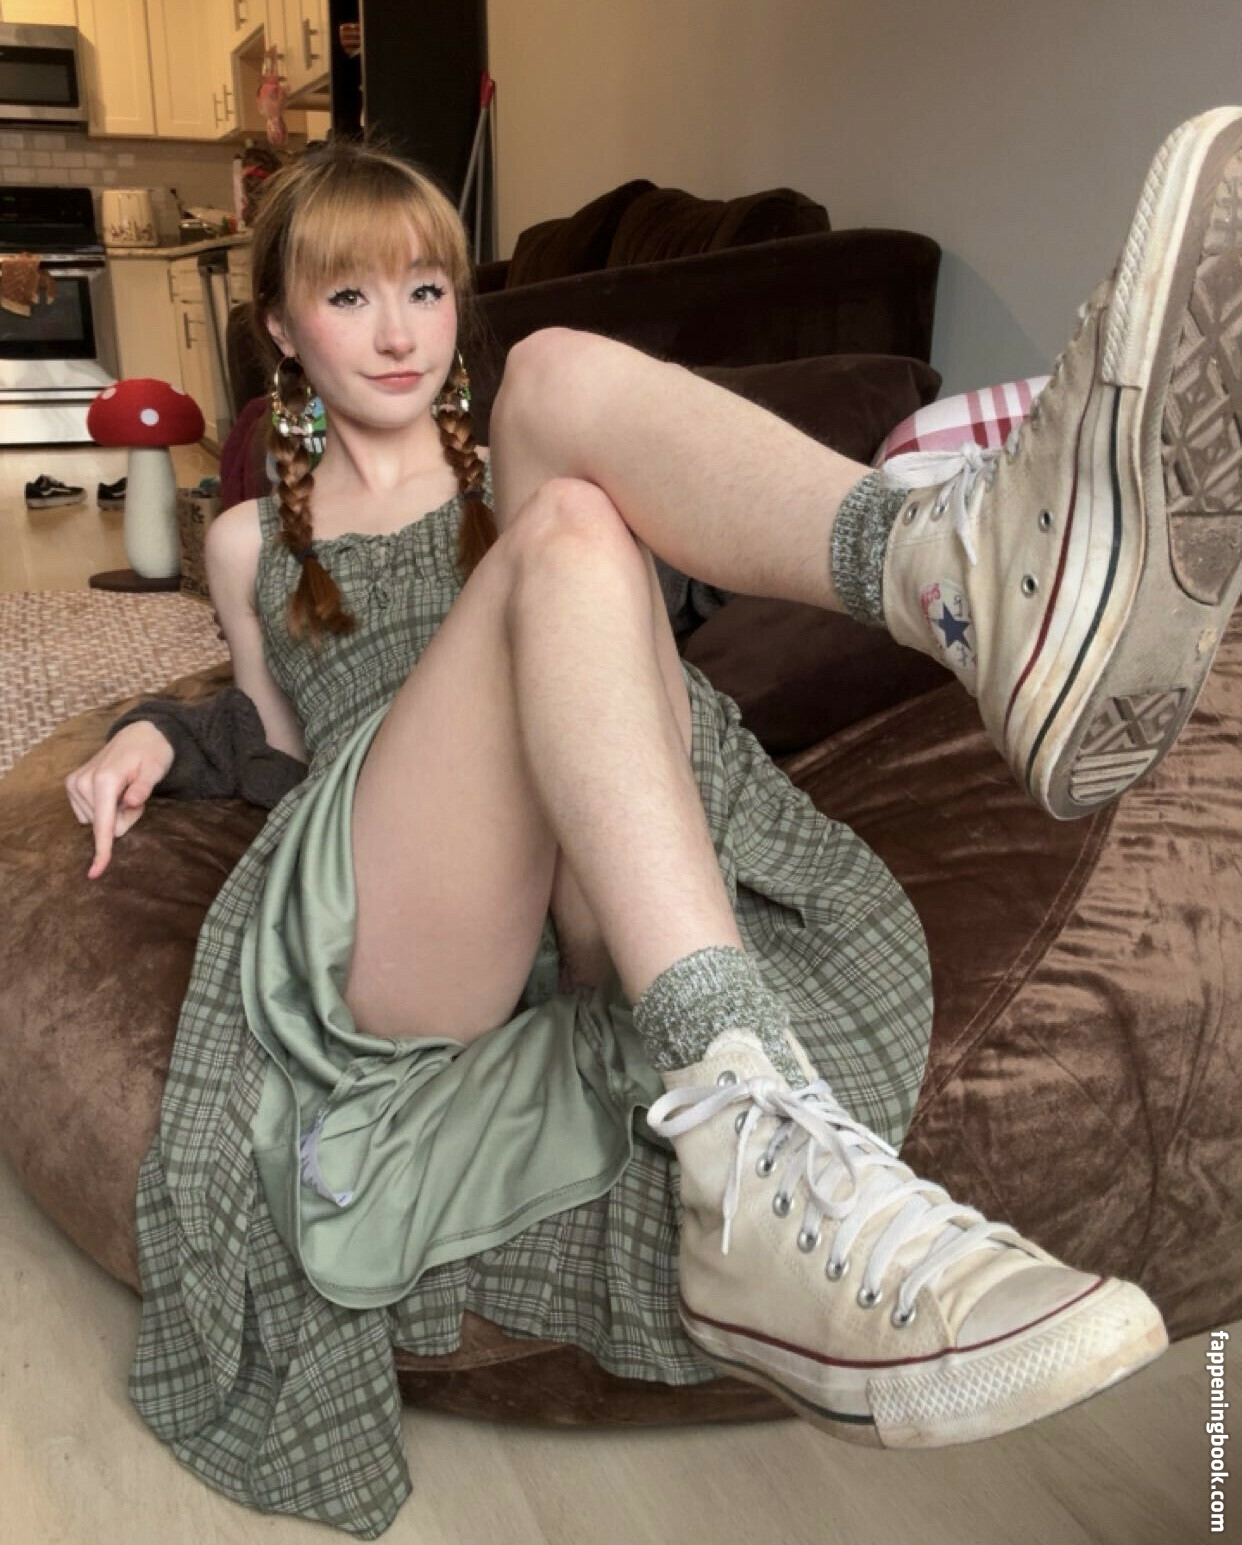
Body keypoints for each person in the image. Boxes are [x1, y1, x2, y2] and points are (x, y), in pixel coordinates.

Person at [63, 108, 1242, 1536]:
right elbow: (274, 743)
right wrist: (156, 732)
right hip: (405, 914)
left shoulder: (530, 477)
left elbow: (649, 615)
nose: (400, 332)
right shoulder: (250, 538)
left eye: (426, 289)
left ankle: (959, 576)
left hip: (591, 872)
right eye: (350, 296)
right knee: (562, 527)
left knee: (560, 406)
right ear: (280, 331)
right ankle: (961, 588)